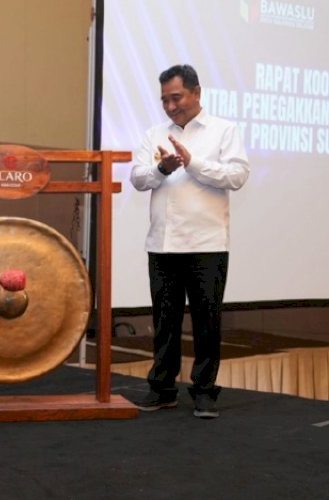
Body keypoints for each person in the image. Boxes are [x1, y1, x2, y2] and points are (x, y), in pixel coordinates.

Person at [129, 64, 250, 419]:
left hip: (207, 243)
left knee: (206, 320)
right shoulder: (155, 134)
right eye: (164, 99)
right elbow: (138, 178)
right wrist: (163, 169)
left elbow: (237, 175)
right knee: (165, 321)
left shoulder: (223, 131)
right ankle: (163, 388)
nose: (170, 106)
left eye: (176, 97)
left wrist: (192, 162)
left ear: (196, 93)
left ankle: (204, 392)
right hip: (162, 244)